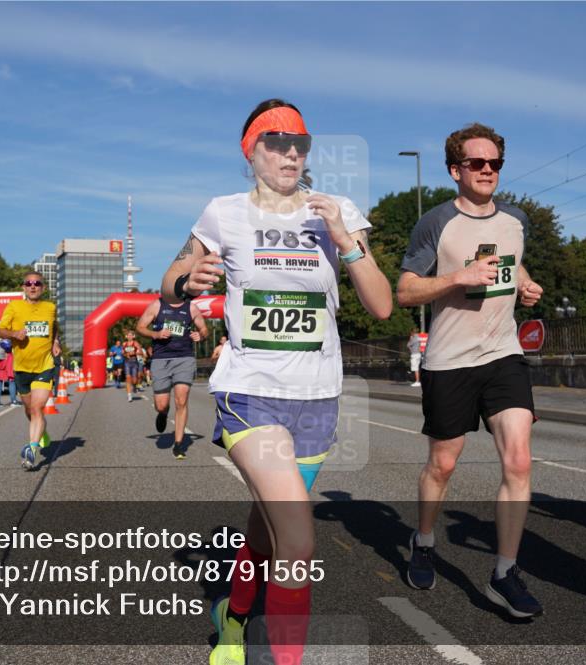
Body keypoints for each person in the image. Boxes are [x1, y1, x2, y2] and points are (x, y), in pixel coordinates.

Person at [161, 98, 391, 665]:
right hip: (250, 392)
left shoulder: (337, 210)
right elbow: (169, 281)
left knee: (266, 532)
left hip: (316, 398)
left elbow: (382, 306)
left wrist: (345, 241)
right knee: (298, 540)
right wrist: (189, 279)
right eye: (276, 141)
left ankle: (234, 618)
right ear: (252, 152)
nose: (291, 151)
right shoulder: (223, 213)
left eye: (300, 143)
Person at [396, 122, 545, 617]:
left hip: (503, 354)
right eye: (476, 163)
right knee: (443, 464)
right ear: (455, 169)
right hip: (450, 359)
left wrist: (524, 283)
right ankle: (423, 540)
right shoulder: (436, 223)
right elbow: (405, 290)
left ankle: (504, 572)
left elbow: (513, 262)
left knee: (519, 462)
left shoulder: (517, 219)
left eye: (494, 163)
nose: (487, 171)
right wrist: (458, 277)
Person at [0, 271, 60, 471]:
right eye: (29, 283)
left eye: (37, 283)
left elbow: (54, 325)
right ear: (23, 287)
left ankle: (32, 451)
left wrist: (55, 341)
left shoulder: (50, 307)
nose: (33, 286)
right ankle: (41, 433)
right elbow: (0, 330)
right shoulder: (14, 307)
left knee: (37, 408)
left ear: (44, 288)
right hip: (22, 368)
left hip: (45, 365)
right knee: (29, 410)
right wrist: (14, 333)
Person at [136, 294, 208, 459]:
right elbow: (140, 327)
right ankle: (162, 413)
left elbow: (204, 329)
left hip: (184, 358)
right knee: (162, 405)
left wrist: (201, 335)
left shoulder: (191, 307)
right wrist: (155, 334)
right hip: (161, 359)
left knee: (181, 400)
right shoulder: (157, 305)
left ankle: (178, 444)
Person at [0, 339, 17, 407]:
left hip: (0, 360)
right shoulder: (9, 335)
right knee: (11, 380)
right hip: (8, 358)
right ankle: (13, 401)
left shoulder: (0, 339)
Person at [120, 330, 143, 403]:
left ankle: (135, 386)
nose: (129, 336)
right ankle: (129, 395)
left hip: (134, 362)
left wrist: (137, 352)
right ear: (126, 336)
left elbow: (141, 352)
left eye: (131, 335)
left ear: (133, 336)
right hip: (127, 362)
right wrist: (125, 354)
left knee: (134, 380)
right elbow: (122, 353)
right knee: (128, 378)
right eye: (128, 335)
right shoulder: (124, 344)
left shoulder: (135, 343)